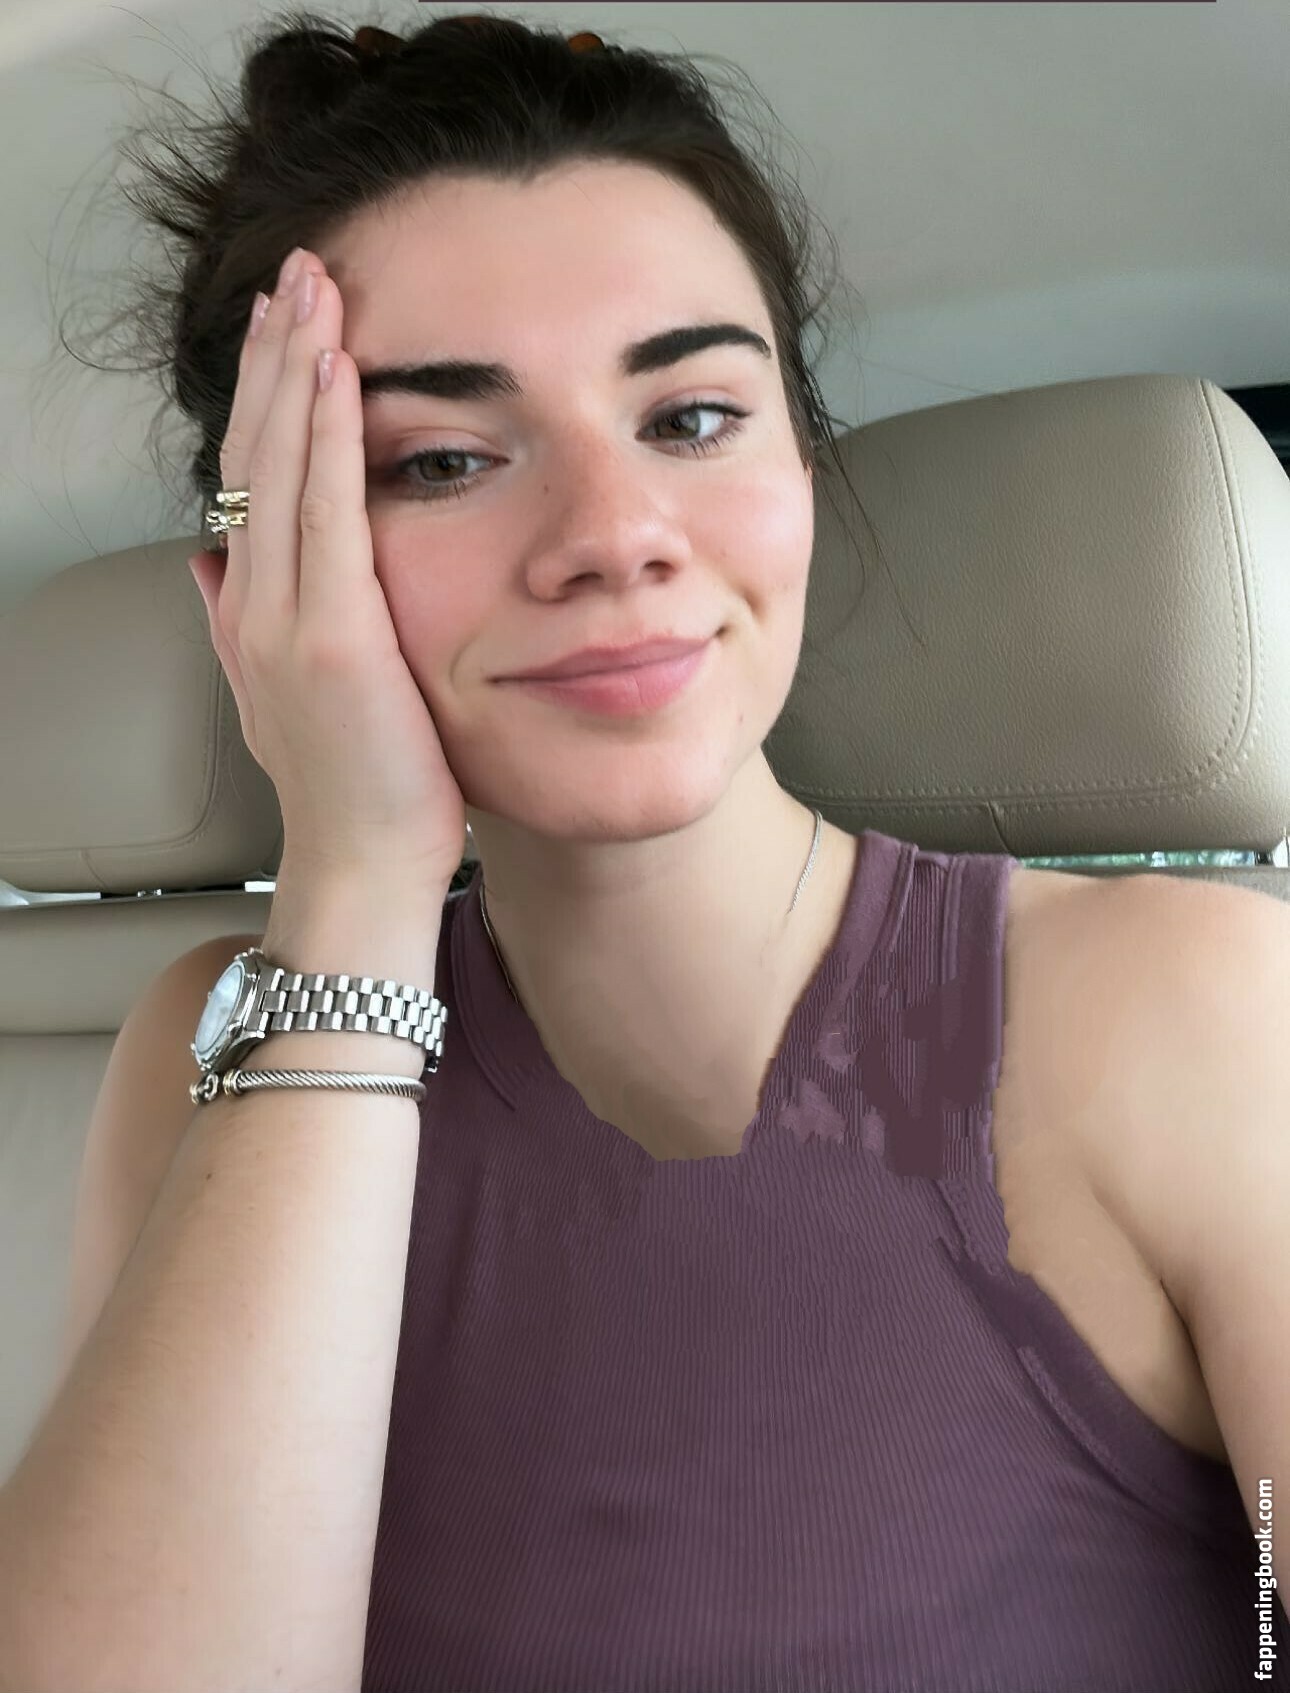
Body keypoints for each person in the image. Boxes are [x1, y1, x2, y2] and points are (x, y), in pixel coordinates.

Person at [35, 13, 1282, 1693]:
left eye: (690, 418)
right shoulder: (210, 1051)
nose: (615, 535)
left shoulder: (1194, 1004)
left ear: (800, 466)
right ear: (262, 588)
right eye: (443, 459)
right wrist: (352, 877)